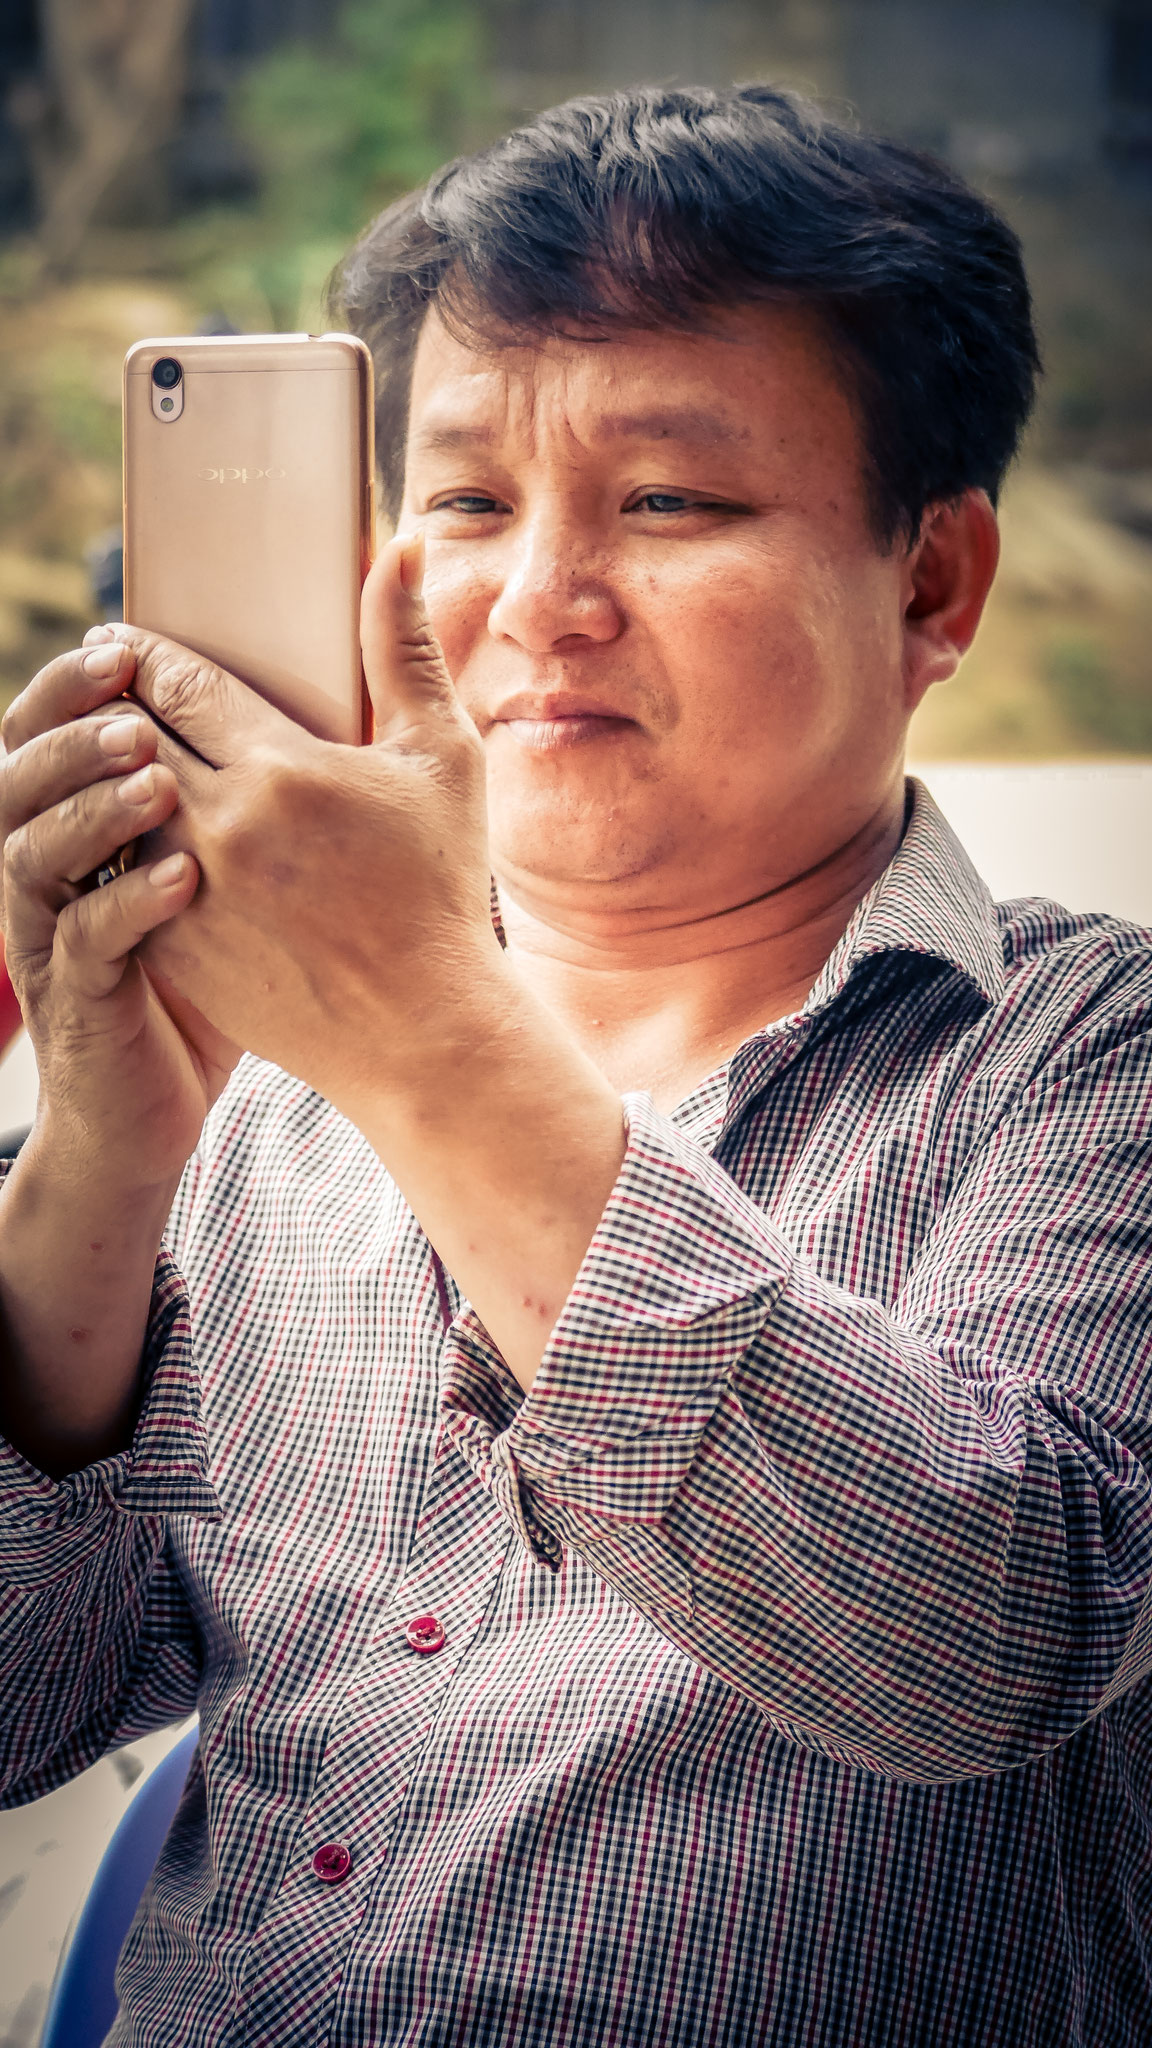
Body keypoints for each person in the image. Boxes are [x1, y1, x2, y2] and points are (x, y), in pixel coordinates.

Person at [0, 80, 1149, 2048]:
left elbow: (969, 1635)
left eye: (671, 501)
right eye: (460, 502)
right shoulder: (254, 1078)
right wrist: (101, 1153)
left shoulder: (1084, 1054)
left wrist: (425, 1029)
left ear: (933, 587)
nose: (536, 602)